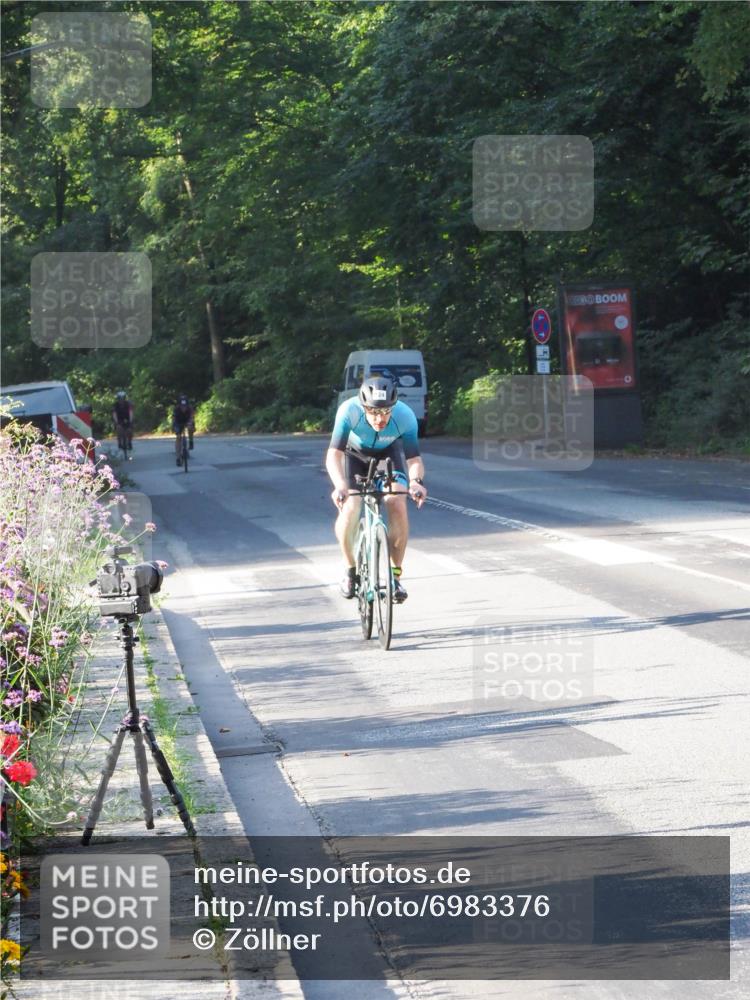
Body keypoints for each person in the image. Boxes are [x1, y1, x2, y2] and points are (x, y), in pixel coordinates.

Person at [326, 375, 427, 603]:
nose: (379, 418)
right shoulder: (348, 411)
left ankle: (395, 577)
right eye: (373, 412)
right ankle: (350, 570)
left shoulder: (405, 416)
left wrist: (415, 482)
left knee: (396, 502)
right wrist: (340, 485)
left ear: (393, 407)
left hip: (387, 455)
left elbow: (414, 459)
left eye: (385, 412)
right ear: (363, 407)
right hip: (354, 455)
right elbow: (334, 454)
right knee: (351, 505)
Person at [172, 395, 195, 465]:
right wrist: (176, 428)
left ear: (187, 405)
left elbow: (192, 417)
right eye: (182, 406)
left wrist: (190, 423)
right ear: (179, 405)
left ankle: (191, 441)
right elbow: (174, 420)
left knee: (191, 428)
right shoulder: (176, 410)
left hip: (187, 421)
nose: (183, 408)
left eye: (185, 406)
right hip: (178, 422)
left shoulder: (190, 409)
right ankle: (178, 458)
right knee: (178, 437)